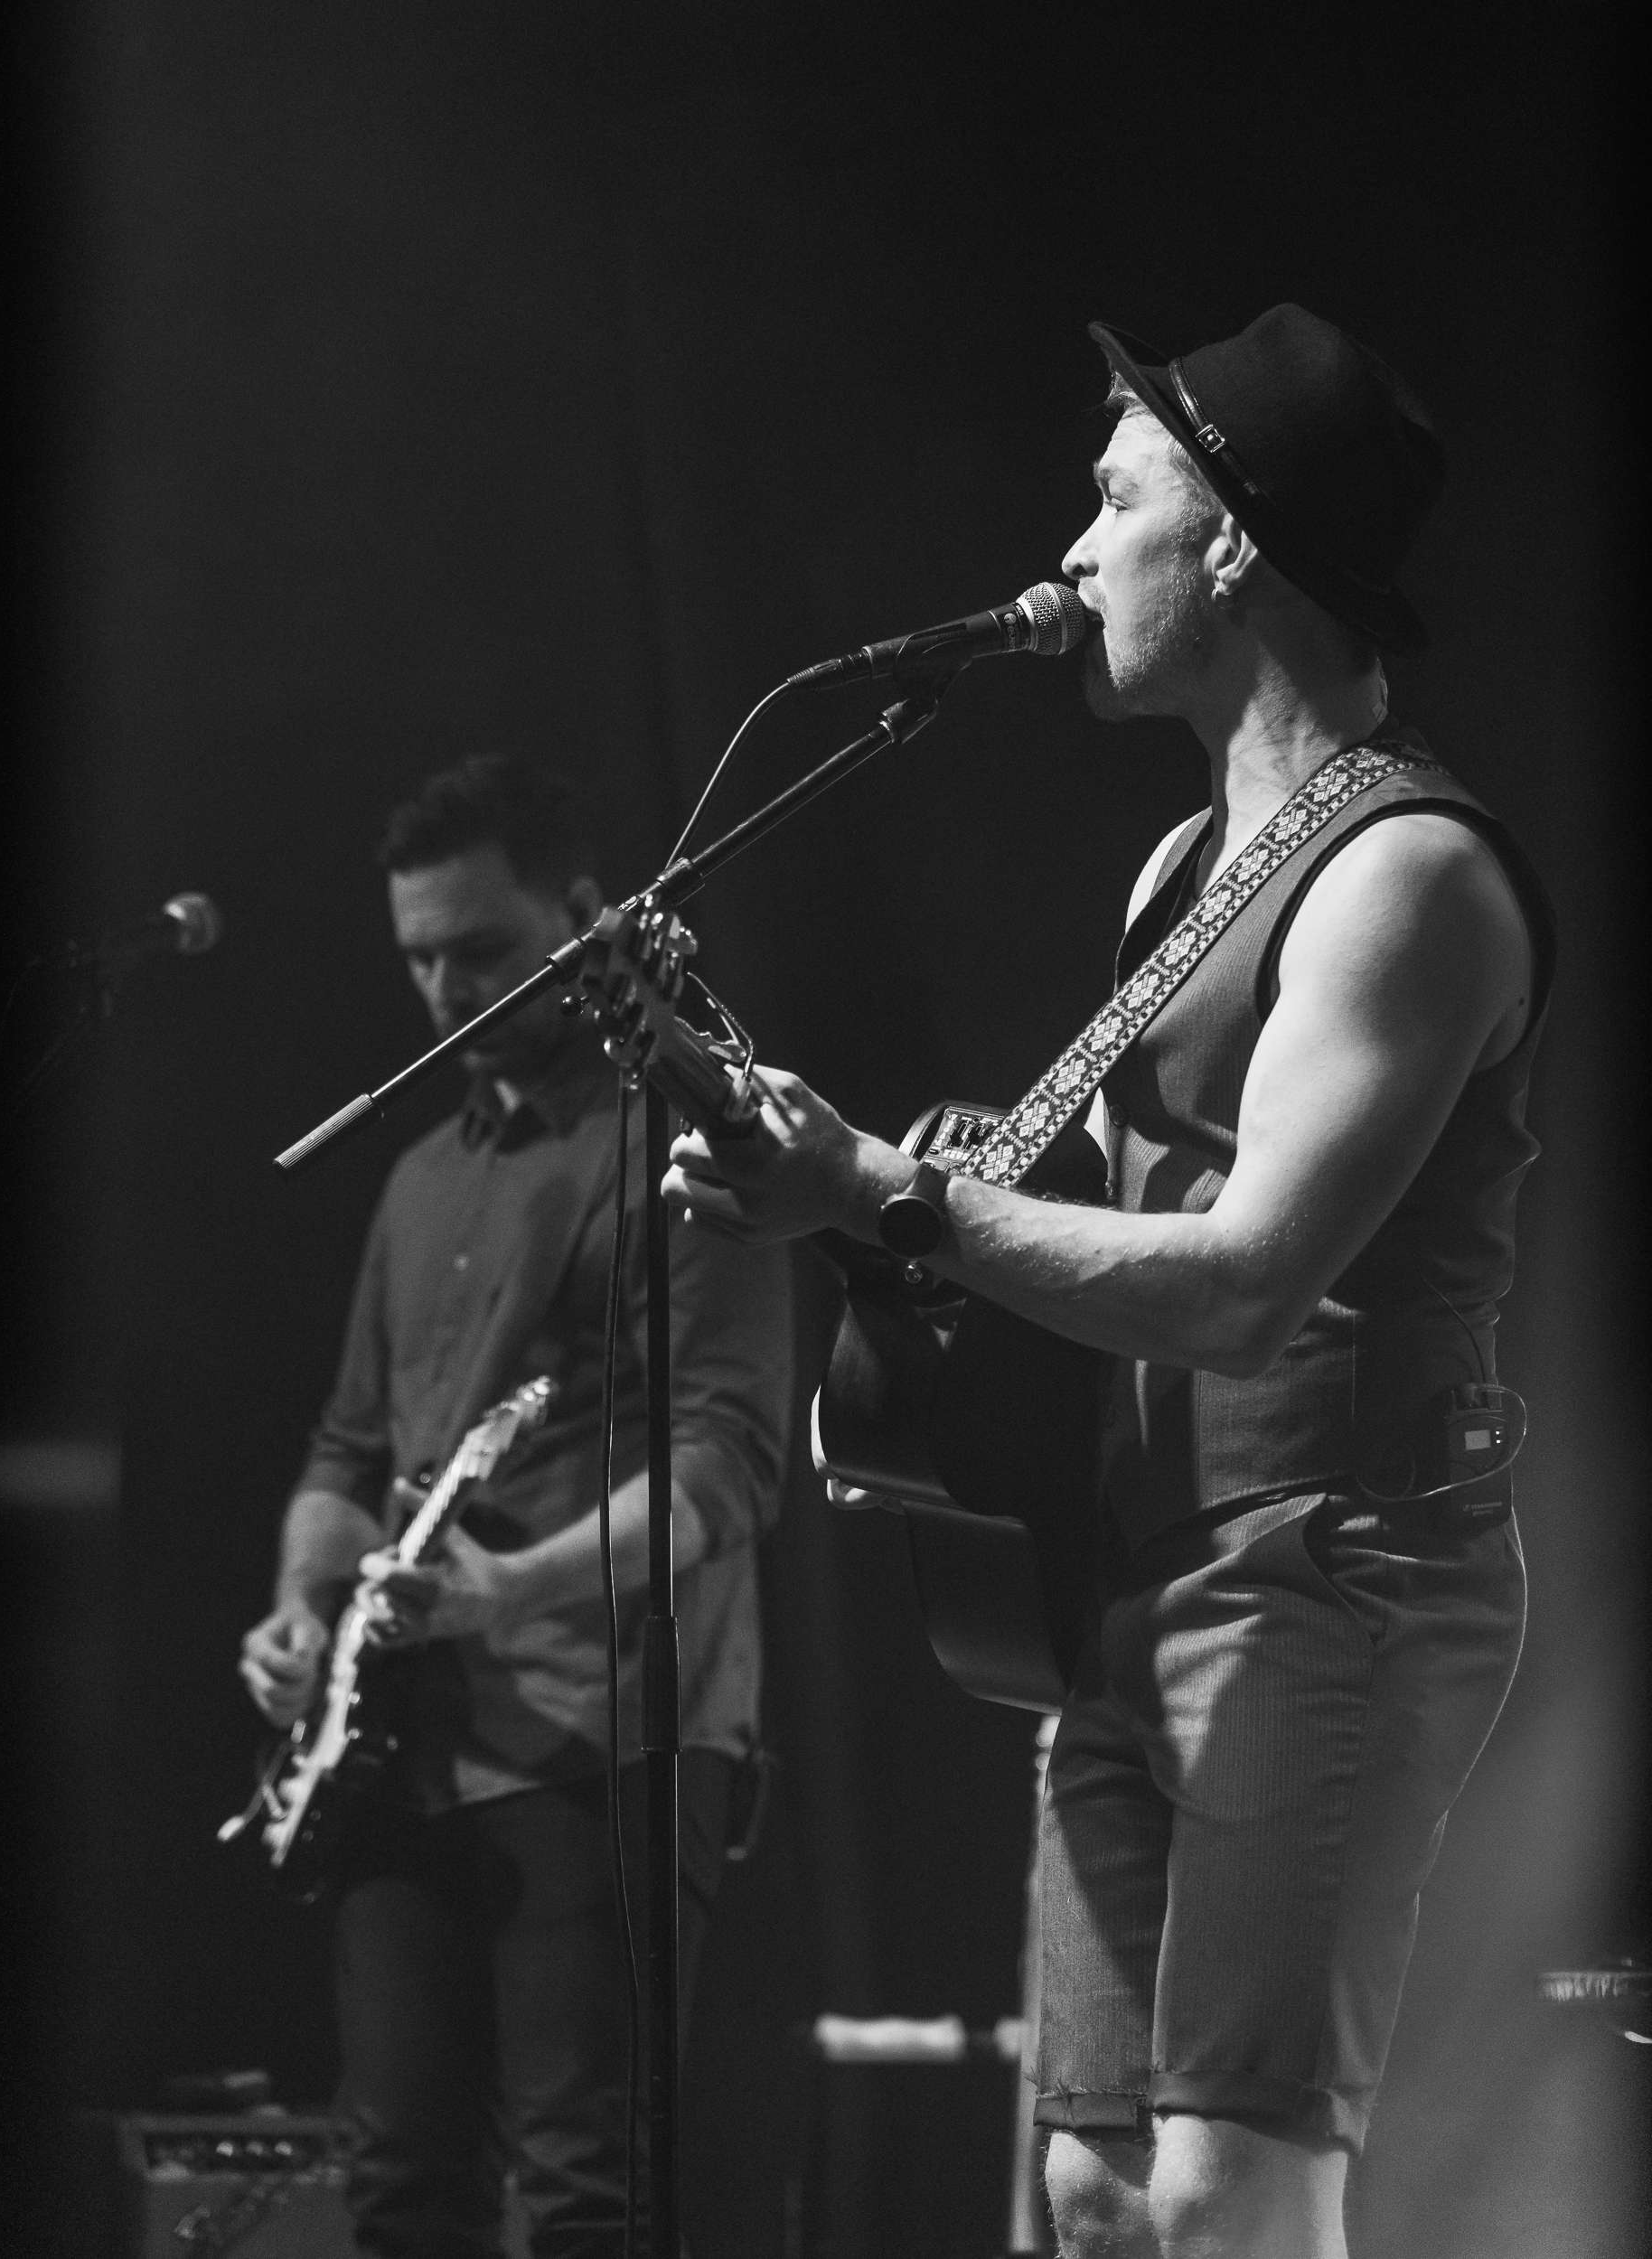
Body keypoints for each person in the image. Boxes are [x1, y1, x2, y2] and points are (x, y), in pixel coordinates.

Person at [661, 305, 1551, 2259]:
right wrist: (853, 1197)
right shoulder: (1180, 869)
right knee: (1097, 2189)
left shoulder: (1405, 876)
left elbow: (1244, 1286)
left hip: (1333, 1563)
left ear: (1227, 543)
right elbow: (1101, 1220)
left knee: (1233, 2192)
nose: (1072, 549)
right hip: (1138, 1571)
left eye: (1114, 497)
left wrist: (885, 1191)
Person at [238, 755, 793, 2258]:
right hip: (397, 1738)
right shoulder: (422, 1172)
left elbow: (732, 1462)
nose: (444, 990)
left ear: (583, 913)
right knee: (397, 2188)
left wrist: (507, 1589)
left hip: (599, 1730)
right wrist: (301, 1613)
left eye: (480, 950)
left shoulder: (693, 1139)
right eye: (419, 958)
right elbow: (350, 1451)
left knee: (581, 2189)